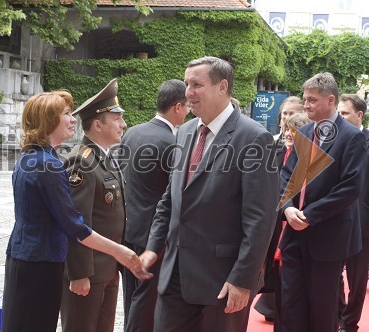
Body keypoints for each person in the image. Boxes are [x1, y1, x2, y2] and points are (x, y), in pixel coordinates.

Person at [140, 56, 279, 332]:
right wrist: (152, 249)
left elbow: (260, 219)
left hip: (223, 282)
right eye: (186, 84)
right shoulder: (185, 132)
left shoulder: (254, 138)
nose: (187, 93)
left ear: (222, 86)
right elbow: (170, 199)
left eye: (196, 85)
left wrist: (243, 278)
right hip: (175, 275)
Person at [1, 91, 147, 332]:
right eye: (66, 114)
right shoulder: (48, 164)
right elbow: (75, 226)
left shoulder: (34, 156)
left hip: (29, 258)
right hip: (40, 262)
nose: (73, 119)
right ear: (49, 120)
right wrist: (119, 251)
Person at [278, 73, 367, 332]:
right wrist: (288, 208)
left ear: (330, 100)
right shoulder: (303, 132)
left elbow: (350, 188)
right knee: (291, 303)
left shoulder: (352, 137)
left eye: (312, 100)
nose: (306, 105)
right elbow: (287, 176)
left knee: (322, 308)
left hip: (328, 235)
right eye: (305, 99)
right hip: (294, 233)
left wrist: (309, 215)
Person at [60, 79, 132, 332]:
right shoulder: (82, 162)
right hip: (88, 273)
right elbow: (76, 224)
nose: (123, 124)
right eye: (117, 119)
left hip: (107, 268)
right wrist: (79, 273)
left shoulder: (105, 158)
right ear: (98, 124)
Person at [120, 79, 190, 332]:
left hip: (128, 227)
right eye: (188, 106)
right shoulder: (173, 143)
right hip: (154, 234)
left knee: (131, 296)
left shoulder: (132, 132)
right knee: (146, 301)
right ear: (178, 107)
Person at [254, 95, 305, 323]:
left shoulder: (306, 148)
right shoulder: (272, 142)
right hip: (273, 215)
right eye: (284, 114)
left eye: (292, 114)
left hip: (293, 216)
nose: (286, 119)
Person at [336, 94, 369, 332]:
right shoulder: (331, 140)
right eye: (338, 113)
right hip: (333, 221)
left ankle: (349, 324)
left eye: (345, 113)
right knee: (331, 275)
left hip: (362, 224)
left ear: (359, 115)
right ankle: (335, 315)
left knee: (357, 281)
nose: (340, 118)